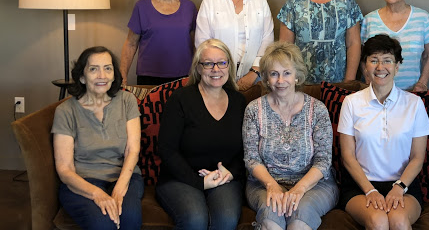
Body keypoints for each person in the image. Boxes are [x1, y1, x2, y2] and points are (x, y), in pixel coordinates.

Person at [338, 34, 429, 229]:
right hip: (360, 185)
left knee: (398, 221)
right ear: (365, 66)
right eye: (374, 60)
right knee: (379, 220)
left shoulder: (414, 104)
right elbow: (348, 156)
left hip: (404, 185)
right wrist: (370, 190)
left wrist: (399, 187)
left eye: (387, 61)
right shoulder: (351, 102)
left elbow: (417, 157)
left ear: (397, 66)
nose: (380, 67)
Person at [243, 41, 338, 230]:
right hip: (264, 184)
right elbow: (251, 159)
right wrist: (271, 185)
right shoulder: (254, 110)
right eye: (274, 74)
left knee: (298, 223)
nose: (280, 80)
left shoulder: (317, 110)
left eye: (287, 73)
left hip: (314, 184)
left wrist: (299, 189)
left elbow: (323, 160)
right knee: (271, 222)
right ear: (266, 78)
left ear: (297, 76)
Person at [156, 39, 246, 230]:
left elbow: (247, 150)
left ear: (229, 66)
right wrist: (198, 182)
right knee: (194, 220)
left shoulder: (239, 102)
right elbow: (167, 150)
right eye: (208, 63)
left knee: (226, 220)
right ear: (198, 68)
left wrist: (230, 173)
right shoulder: (180, 99)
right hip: (180, 178)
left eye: (222, 63)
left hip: (225, 178)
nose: (216, 69)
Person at [52, 46, 143, 230]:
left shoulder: (127, 101)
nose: (102, 75)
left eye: (108, 68)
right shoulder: (65, 111)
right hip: (83, 181)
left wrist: (119, 189)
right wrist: (96, 193)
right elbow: (64, 168)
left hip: (125, 177)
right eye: (94, 69)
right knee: (102, 223)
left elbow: (132, 150)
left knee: (130, 217)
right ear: (82, 77)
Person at [278, 0, 363, 84]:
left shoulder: (346, 0)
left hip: (339, 83)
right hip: (301, 83)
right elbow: (285, 47)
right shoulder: (294, 2)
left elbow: (353, 43)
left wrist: (349, 82)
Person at [195, 0, 274, 91]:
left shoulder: (260, 1)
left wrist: (253, 73)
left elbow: (267, 41)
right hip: (217, 78)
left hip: (255, 80)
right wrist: (220, 73)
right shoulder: (209, 2)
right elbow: (202, 44)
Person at [121, 0, 197, 86]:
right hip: (149, 77)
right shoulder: (142, 7)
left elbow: (197, 44)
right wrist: (123, 78)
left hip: (183, 77)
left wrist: (197, 74)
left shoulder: (189, 7)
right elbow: (130, 44)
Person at [361, 0, 429, 91]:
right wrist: (368, 79)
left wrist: (422, 83)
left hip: (411, 93)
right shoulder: (369, 19)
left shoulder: (422, 18)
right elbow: (363, 56)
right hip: (376, 92)